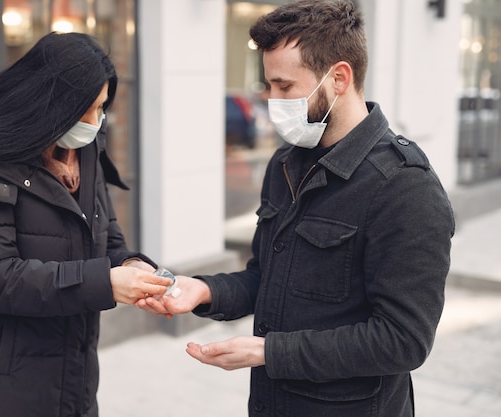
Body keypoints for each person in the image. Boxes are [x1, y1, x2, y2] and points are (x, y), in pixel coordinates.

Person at [137, 1, 455, 416]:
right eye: (269, 85)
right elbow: (266, 277)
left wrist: (271, 351)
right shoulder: (285, 163)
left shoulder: (404, 187)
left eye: (285, 87)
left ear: (339, 78)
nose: (272, 101)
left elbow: (403, 339)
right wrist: (206, 290)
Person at [0, 32, 172, 417]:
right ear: (47, 102)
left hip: (69, 380)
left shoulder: (84, 151)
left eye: (101, 108)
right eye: (84, 109)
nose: (94, 122)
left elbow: (107, 238)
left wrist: (129, 266)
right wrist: (105, 282)